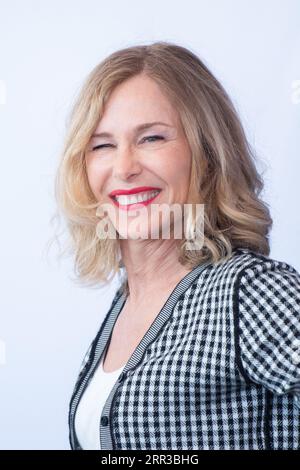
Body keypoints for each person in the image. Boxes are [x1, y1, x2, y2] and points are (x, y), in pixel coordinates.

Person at [54, 41, 300, 450]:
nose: (125, 167)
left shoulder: (252, 292)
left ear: (206, 153)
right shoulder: (125, 303)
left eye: (151, 138)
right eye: (102, 145)